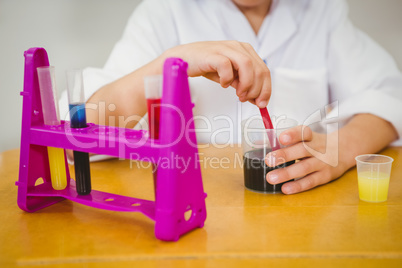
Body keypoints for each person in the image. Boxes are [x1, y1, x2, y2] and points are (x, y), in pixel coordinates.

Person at [60, 0, 402, 194]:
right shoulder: (164, 11)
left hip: (300, 212)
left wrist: (342, 148)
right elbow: (81, 127)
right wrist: (172, 61)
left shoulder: (322, 12)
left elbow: (390, 94)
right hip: (194, 210)